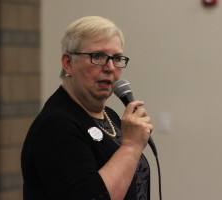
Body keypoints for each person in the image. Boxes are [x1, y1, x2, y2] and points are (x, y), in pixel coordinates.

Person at [21, 16, 153, 200]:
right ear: (68, 63)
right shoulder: (57, 125)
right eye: (97, 56)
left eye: (116, 58)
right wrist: (131, 146)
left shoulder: (111, 117)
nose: (110, 67)